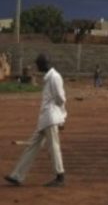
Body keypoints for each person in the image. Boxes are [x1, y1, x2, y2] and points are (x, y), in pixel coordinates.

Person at [4, 54, 67, 187]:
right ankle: (17, 175)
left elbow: (61, 99)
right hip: (45, 120)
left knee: (53, 147)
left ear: (44, 64)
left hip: (51, 119)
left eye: (38, 64)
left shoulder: (54, 77)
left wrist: (62, 118)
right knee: (31, 147)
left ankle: (60, 176)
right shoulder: (49, 78)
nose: (37, 67)